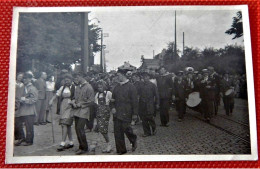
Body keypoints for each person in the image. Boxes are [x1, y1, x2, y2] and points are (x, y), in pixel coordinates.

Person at [110, 69, 138, 155]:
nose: (117, 77)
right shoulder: (116, 87)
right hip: (117, 113)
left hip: (127, 112)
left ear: (123, 75)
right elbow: (112, 100)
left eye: (118, 75)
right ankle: (121, 150)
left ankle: (133, 139)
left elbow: (135, 101)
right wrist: (113, 107)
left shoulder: (131, 87)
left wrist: (135, 114)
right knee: (117, 131)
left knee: (127, 129)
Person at [49, 74, 75, 151]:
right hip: (63, 106)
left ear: (71, 80)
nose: (66, 82)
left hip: (70, 106)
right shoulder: (62, 87)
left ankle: (62, 143)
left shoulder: (74, 87)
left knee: (64, 124)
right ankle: (71, 142)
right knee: (68, 125)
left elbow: (77, 96)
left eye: (68, 80)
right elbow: (57, 94)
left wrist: (73, 101)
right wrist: (51, 100)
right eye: (65, 81)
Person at [72, 72, 95, 155]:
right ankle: (81, 146)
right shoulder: (77, 87)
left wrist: (81, 104)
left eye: (77, 76)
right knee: (77, 129)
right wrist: (73, 102)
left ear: (82, 77)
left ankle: (85, 148)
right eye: (75, 77)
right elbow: (74, 97)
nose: (76, 79)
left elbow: (92, 101)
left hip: (84, 111)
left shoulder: (89, 87)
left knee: (80, 128)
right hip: (77, 111)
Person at [15, 72, 38, 146]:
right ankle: (21, 138)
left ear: (30, 79)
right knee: (17, 123)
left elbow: (34, 99)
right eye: (24, 78)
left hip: (29, 110)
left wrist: (25, 100)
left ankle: (29, 141)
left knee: (29, 126)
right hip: (21, 110)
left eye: (26, 78)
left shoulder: (33, 88)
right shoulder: (22, 87)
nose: (24, 79)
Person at [94, 82, 113, 153]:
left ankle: (109, 144)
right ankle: (100, 142)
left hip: (105, 113)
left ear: (104, 87)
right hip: (99, 112)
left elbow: (112, 101)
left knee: (103, 129)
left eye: (101, 87)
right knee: (99, 128)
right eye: (98, 87)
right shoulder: (97, 94)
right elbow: (96, 103)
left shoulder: (108, 93)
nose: (99, 88)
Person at [139, 72, 159, 137]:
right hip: (142, 104)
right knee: (143, 118)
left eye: (146, 77)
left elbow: (156, 95)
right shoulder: (141, 85)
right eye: (144, 77)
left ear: (149, 77)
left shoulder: (152, 85)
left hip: (150, 104)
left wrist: (157, 103)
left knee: (150, 117)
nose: (145, 78)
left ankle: (154, 128)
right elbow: (138, 94)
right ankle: (146, 132)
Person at [14, 72, 25, 145]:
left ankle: (21, 137)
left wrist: (21, 101)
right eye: (19, 76)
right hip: (12, 101)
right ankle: (16, 137)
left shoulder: (22, 85)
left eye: (21, 77)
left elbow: (23, 94)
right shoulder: (13, 83)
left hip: (19, 103)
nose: (20, 78)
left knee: (18, 120)